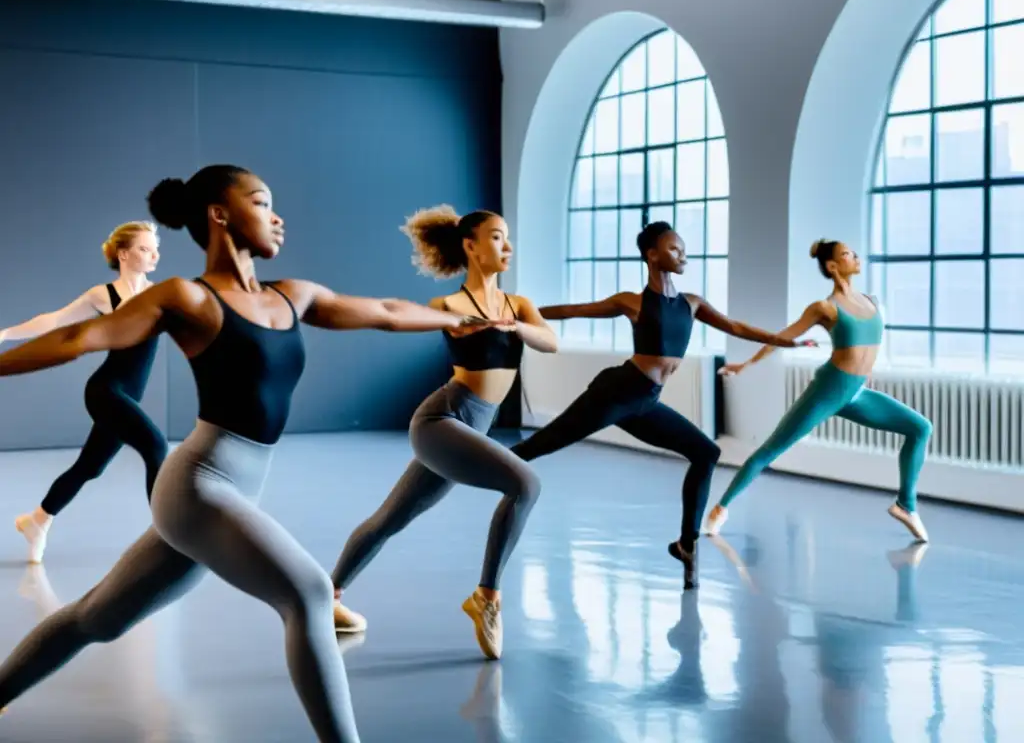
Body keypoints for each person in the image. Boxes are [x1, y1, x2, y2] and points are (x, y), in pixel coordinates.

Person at [0, 165, 496, 741]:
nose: (278, 215)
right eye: (261, 202)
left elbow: (385, 312)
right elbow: (75, 338)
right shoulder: (186, 296)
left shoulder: (291, 295)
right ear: (219, 213)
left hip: (235, 488)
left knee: (96, 619)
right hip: (199, 485)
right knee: (308, 592)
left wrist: (457, 317)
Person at [508, 221, 814, 589]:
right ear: (651, 255)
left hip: (646, 402)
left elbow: (736, 327)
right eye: (674, 249)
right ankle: (470, 465)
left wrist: (786, 343)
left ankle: (687, 543)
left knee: (706, 452)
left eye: (683, 249)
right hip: (616, 393)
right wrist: (515, 314)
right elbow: (574, 310)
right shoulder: (632, 302)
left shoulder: (692, 303)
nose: (683, 255)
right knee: (538, 446)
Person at [331, 205, 558, 661]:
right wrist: (462, 323)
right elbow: (414, 317)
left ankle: (325, 598)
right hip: (442, 421)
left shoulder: (519, 306)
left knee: (389, 519)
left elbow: (550, 341)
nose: (507, 246)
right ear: (470, 246)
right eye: (497, 237)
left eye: (508, 237)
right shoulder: (447, 306)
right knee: (526, 485)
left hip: (473, 426)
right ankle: (487, 598)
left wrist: (515, 326)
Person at [705, 239, 932, 542]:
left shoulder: (872, 301)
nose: (855, 256)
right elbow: (782, 337)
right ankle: (720, 509)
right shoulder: (825, 308)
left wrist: (868, 371)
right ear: (833, 266)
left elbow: (869, 344)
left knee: (920, 427)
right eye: (848, 253)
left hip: (855, 392)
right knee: (770, 450)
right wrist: (745, 365)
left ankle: (906, 505)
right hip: (827, 390)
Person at [0, 222, 165, 564]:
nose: (154, 255)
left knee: (90, 467)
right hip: (106, 391)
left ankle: (37, 521)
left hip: (127, 397)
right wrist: (5, 333)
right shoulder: (104, 295)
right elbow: (54, 321)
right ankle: (167, 542)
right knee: (156, 447)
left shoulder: (160, 294)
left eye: (155, 249)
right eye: (146, 248)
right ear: (124, 254)